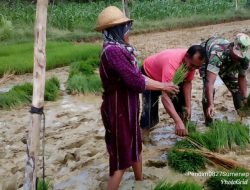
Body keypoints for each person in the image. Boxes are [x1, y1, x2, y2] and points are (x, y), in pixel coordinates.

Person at [95, 6, 179, 190]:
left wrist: (161, 83)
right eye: (126, 29)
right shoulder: (113, 52)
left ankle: (139, 183)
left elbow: (138, 76)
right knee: (121, 158)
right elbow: (136, 82)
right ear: (118, 30)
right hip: (118, 109)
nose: (129, 33)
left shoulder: (120, 49)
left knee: (135, 146)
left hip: (129, 106)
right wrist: (163, 86)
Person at [140, 46, 205, 136]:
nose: (193, 69)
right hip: (150, 75)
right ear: (186, 56)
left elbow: (187, 82)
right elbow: (165, 98)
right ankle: (144, 135)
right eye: (193, 65)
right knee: (149, 110)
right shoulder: (172, 64)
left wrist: (188, 107)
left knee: (181, 105)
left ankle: (183, 130)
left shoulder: (191, 64)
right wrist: (178, 121)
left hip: (169, 77)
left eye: (197, 67)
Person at [200, 33, 250, 125]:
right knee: (208, 92)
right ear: (232, 46)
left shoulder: (245, 59)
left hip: (226, 61)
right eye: (236, 54)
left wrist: (244, 97)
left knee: (236, 89)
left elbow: (242, 77)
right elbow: (210, 83)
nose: (237, 57)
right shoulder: (217, 54)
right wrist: (211, 104)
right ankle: (209, 122)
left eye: (240, 56)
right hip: (206, 56)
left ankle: (241, 118)